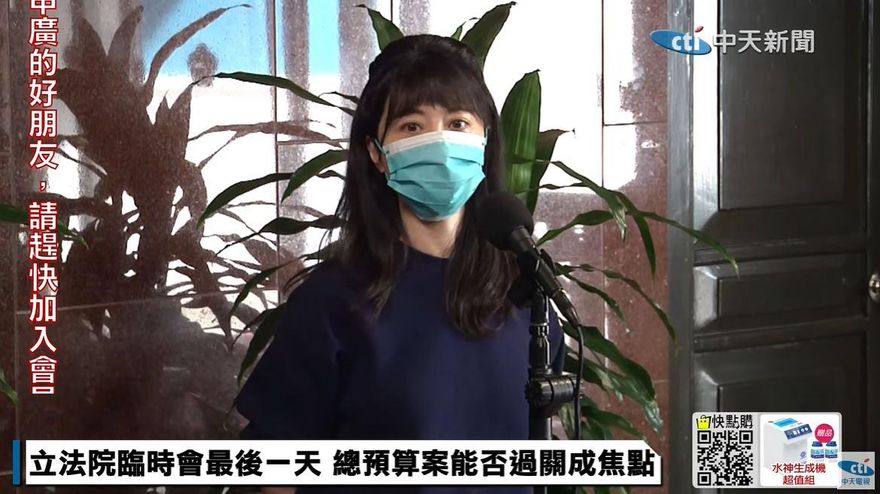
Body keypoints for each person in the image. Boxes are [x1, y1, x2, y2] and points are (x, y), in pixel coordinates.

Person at [233, 34, 566, 494]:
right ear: (376, 153)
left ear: (485, 140)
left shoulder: (526, 293)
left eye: (458, 123)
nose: (440, 143)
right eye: (412, 126)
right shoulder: (332, 302)